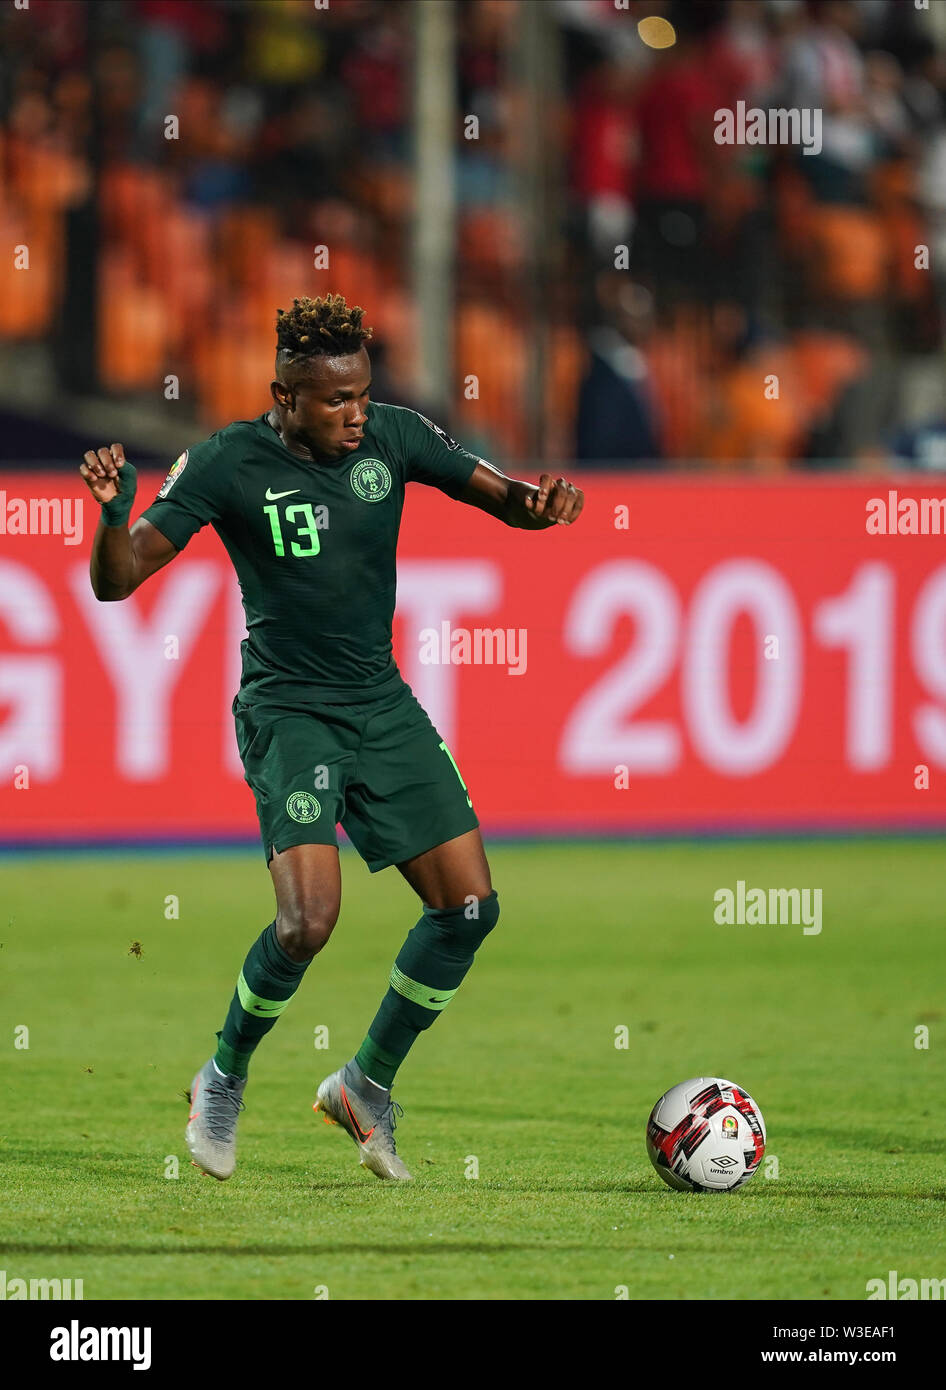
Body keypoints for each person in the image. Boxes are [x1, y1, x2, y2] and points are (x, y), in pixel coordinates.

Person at [79, 293, 584, 1182]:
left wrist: (541, 505)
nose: (355, 414)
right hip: (289, 711)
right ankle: (223, 1076)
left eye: (360, 394)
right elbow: (120, 584)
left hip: (380, 706)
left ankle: (365, 1086)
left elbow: (505, 498)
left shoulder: (393, 435)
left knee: (469, 909)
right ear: (285, 397)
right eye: (333, 401)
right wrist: (113, 516)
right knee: (308, 922)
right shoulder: (228, 462)